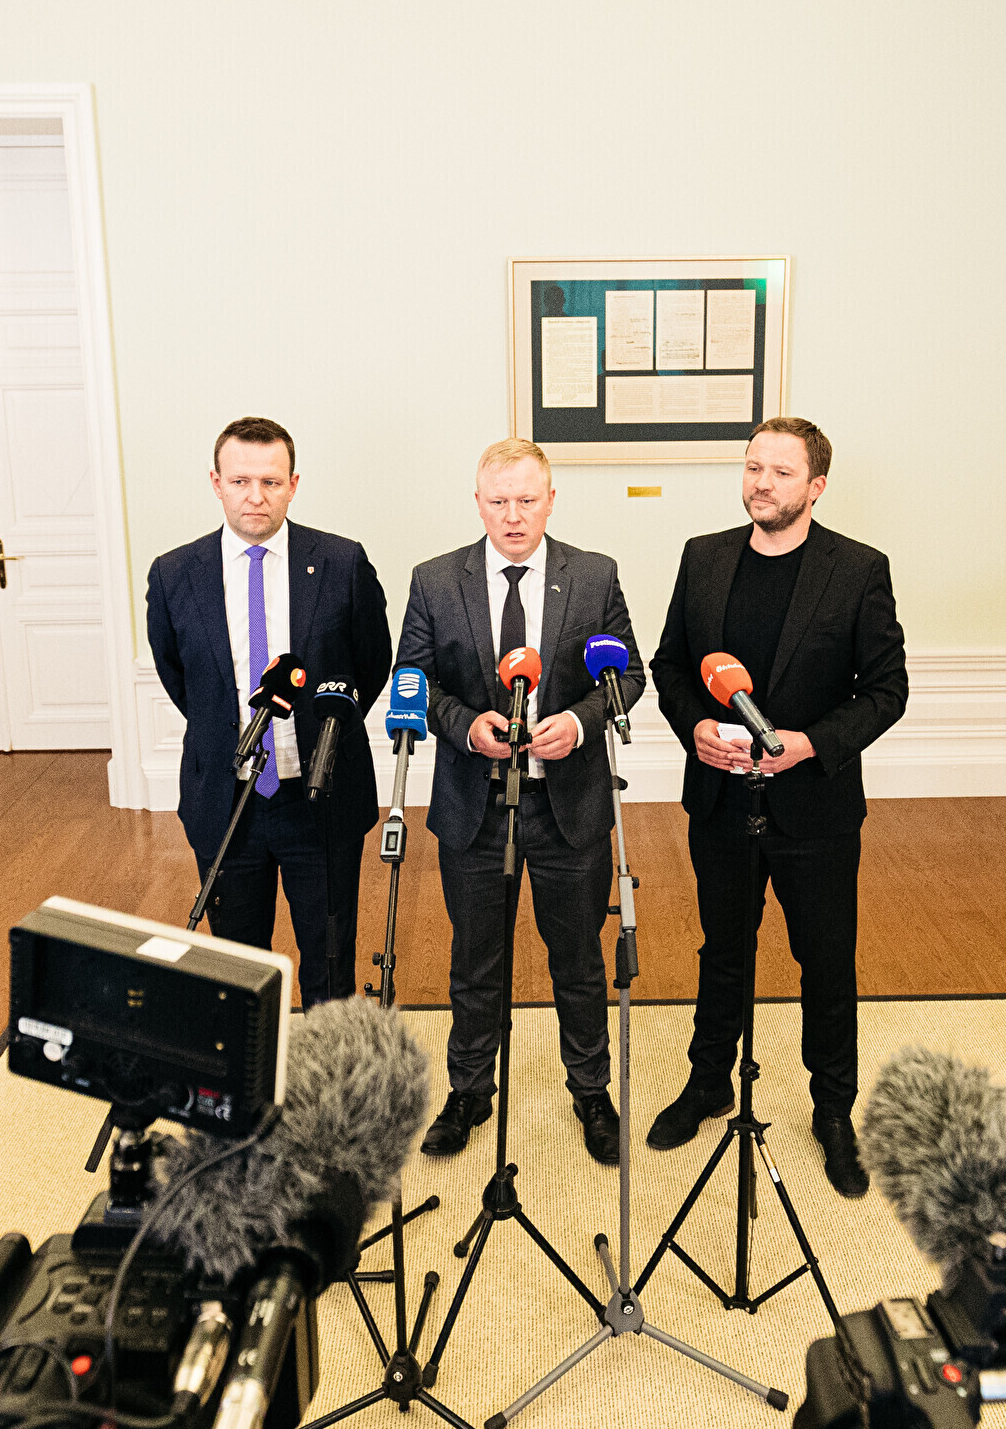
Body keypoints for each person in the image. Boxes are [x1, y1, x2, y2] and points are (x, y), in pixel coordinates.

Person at [646, 417, 908, 1197]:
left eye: (781, 472)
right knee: (723, 951)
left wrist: (808, 745)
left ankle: (833, 1111)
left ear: (816, 486)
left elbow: (886, 691)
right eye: (753, 466)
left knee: (824, 961)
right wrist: (694, 727)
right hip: (720, 800)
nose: (762, 482)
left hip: (814, 809)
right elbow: (669, 665)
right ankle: (708, 1083)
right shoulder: (704, 557)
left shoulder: (857, 569)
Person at [395, 438, 646, 1165]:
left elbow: (628, 675)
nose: (513, 515)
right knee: (476, 961)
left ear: (550, 501)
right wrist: (464, 727)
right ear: (478, 503)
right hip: (474, 806)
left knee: (579, 960)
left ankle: (591, 1092)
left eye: (527, 500)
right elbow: (414, 678)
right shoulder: (435, 580)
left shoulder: (593, 575)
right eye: (498, 501)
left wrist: (580, 723)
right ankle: (470, 1091)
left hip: (568, 806)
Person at [146, 417, 390, 1003]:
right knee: (238, 970)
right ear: (216, 483)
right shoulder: (175, 574)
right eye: (241, 481)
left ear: (293, 484)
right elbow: (180, 677)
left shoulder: (342, 562)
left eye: (271, 482)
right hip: (226, 801)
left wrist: (322, 734)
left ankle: (327, 1064)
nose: (255, 496)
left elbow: (371, 663)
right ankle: (255, 1064)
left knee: (329, 964)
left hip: (320, 797)